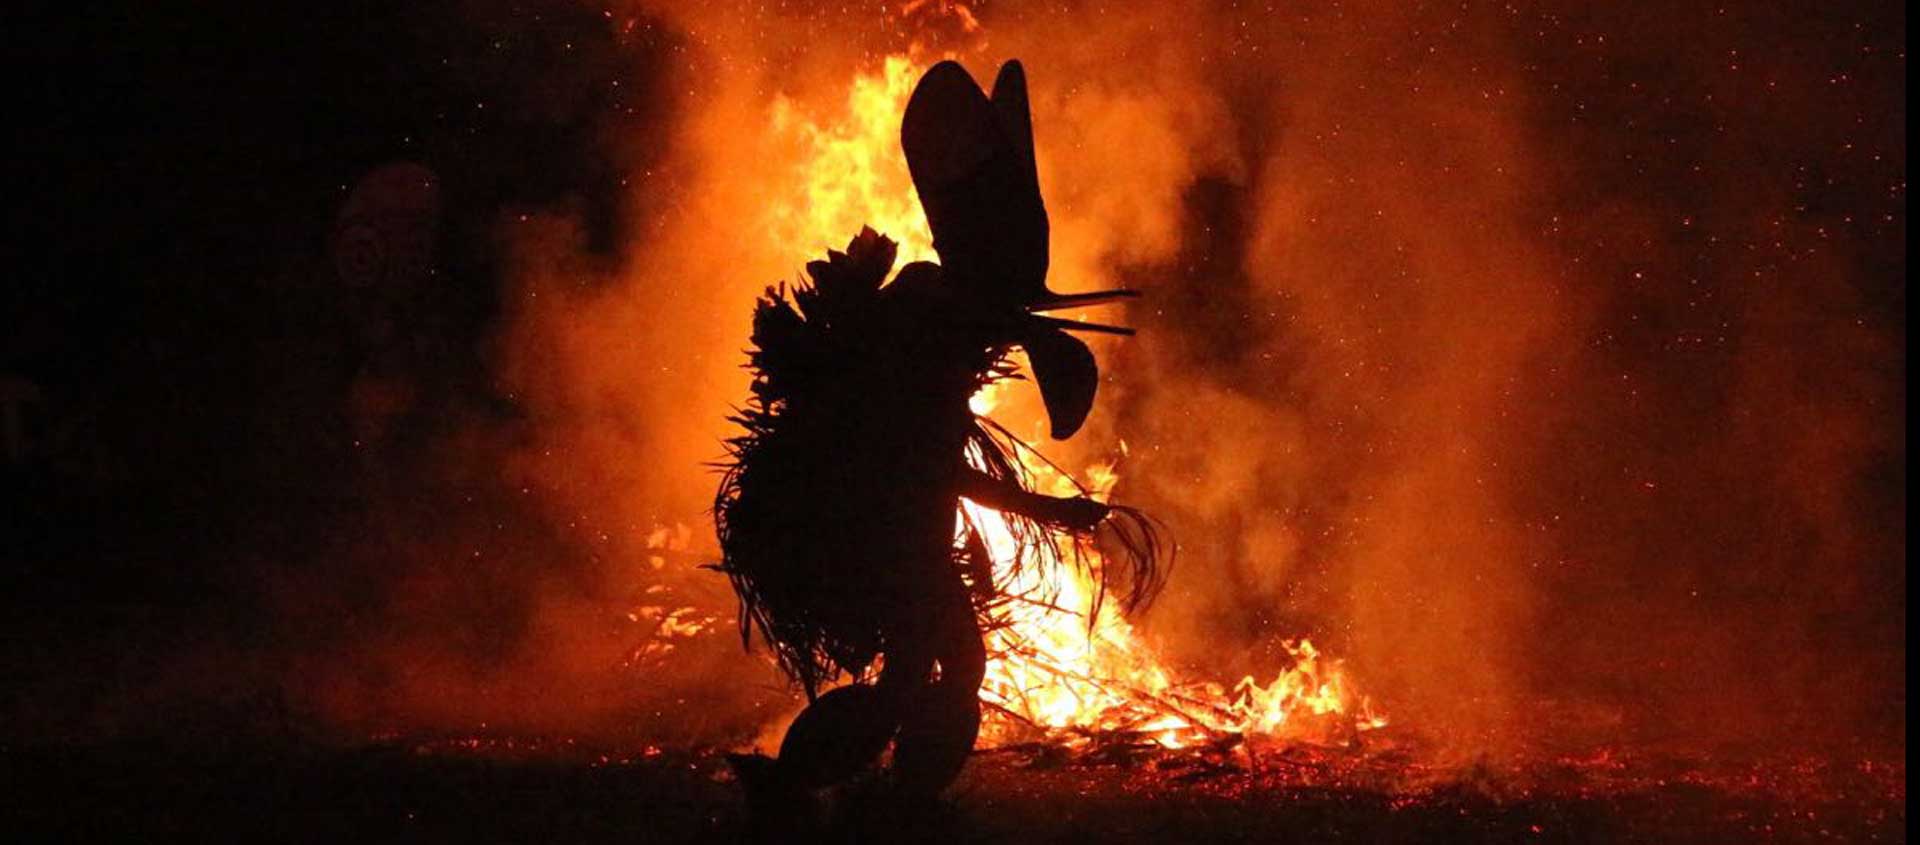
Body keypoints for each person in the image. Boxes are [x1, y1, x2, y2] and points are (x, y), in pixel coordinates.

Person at [713, 59, 1164, 820]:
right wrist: (1047, 509)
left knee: (929, 668)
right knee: (938, 668)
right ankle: (846, 789)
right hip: (895, 540)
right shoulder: (921, 344)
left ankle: (860, 791)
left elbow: (931, 462)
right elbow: (931, 470)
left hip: (901, 537)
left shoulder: (930, 326)